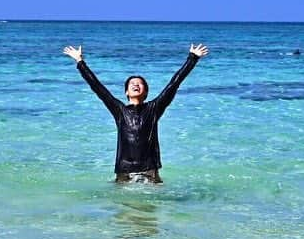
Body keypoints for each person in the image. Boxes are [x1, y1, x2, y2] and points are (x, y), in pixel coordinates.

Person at [64, 43, 209, 183]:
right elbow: (97, 86)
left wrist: (192, 58)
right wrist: (80, 61)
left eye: (139, 84)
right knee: (124, 207)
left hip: (149, 171)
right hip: (124, 172)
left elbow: (174, 84)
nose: (135, 85)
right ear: (126, 92)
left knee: (150, 207)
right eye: (131, 84)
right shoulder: (119, 110)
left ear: (145, 92)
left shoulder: (154, 108)